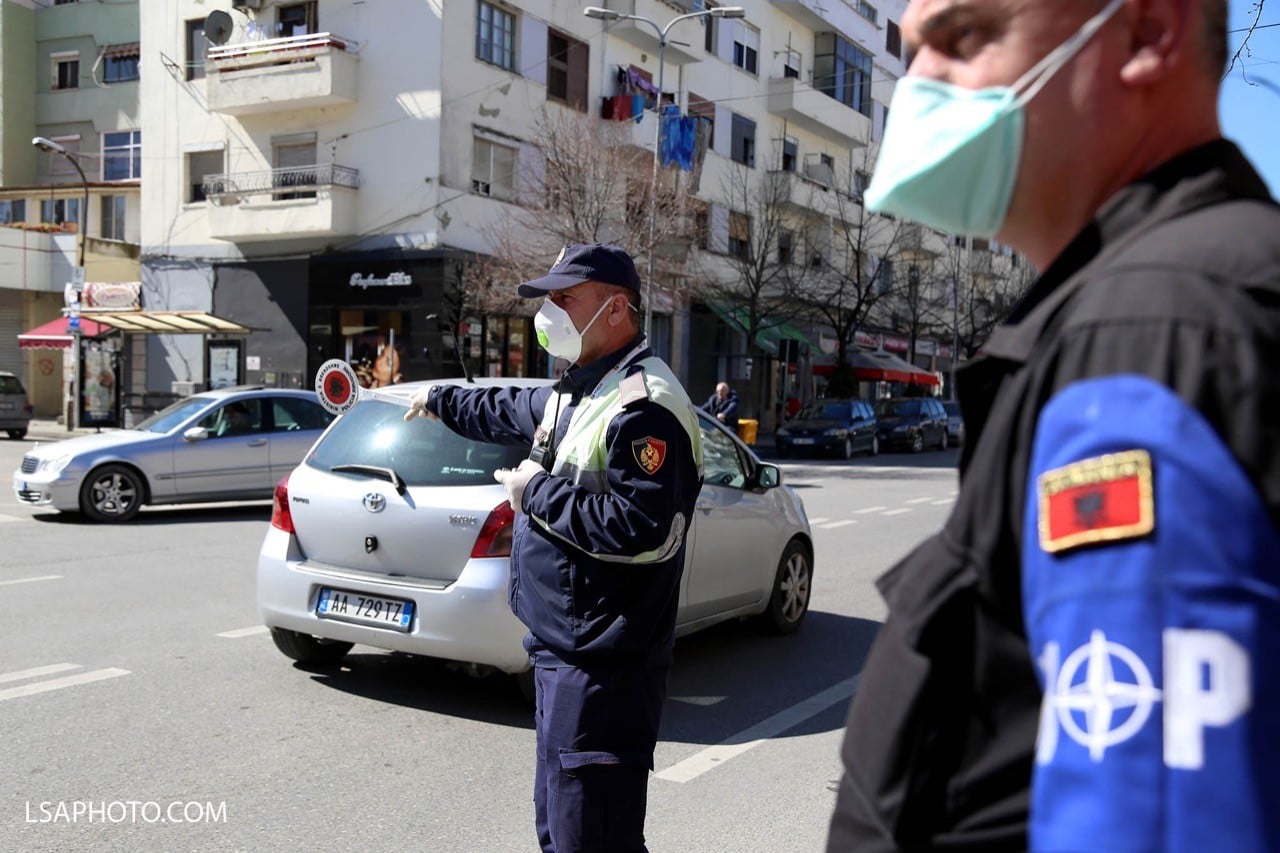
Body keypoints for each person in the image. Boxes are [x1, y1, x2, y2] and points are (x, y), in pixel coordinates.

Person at [827, 0, 1280, 850]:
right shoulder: (1157, 301)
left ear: (1146, 32)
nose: (917, 83)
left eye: (964, 37)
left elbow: (1154, 819)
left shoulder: (1147, 333)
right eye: (913, 50)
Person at [404, 243, 704, 852]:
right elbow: (508, 407)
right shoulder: (581, 387)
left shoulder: (644, 407)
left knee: (590, 838)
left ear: (615, 309)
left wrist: (534, 493)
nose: (550, 313)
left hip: (604, 665)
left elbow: (641, 528)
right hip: (559, 647)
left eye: (566, 299)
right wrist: (441, 400)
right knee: (559, 828)